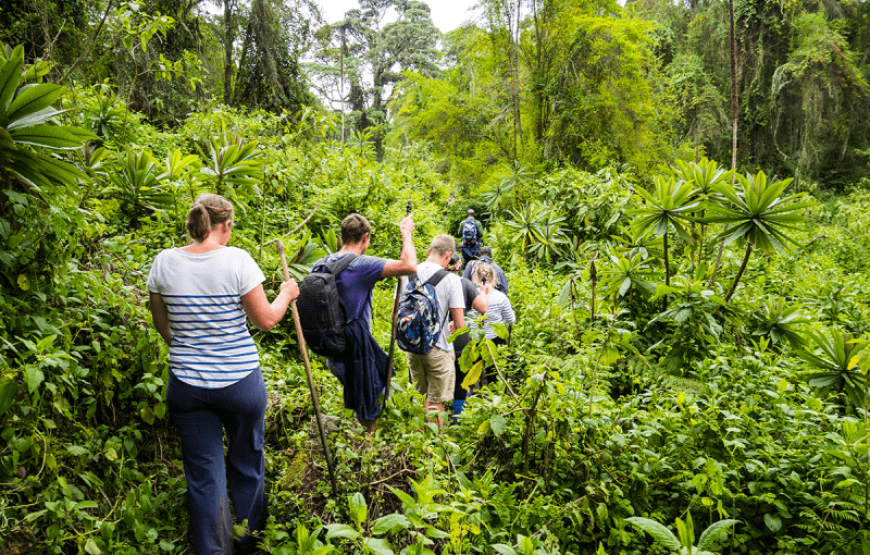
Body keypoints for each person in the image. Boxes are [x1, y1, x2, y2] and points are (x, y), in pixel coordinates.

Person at [147, 194, 299, 555]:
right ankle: (250, 543)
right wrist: (287, 293)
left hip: (187, 387)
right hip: (240, 384)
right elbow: (265, 320)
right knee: (247, 462)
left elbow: (160, 323)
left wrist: (187, 346)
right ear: (227, 225)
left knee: (203, 475)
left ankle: (213, 550)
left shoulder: (164, 261)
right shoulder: (237, 260)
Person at [316, 213, 416, 434]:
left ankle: (355, 438)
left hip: (331, 349)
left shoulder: (320, 264)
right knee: (371, 401)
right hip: (355, 352)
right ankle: (365, 451)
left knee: (363, 394)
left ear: (341, 238)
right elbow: (409, 266)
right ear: (365, 238)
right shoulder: (361, 265)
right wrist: (406, 235)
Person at [406, 235, 466, 429]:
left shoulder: (407, 273)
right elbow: (459, 324)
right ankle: (433, 448)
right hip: (439, 348)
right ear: (448, 256)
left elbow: (394, 315)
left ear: (428, 252)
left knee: (420, 398)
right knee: (436, 403)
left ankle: (416, 444)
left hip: (412, 346)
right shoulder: (452, 280)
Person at [447, 253, 489, 421]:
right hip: (459, 335)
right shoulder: (463, 283)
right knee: (460, 377)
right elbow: (482, 307)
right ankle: (458, 417)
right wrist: (484, 292)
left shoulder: (430, 280)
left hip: (435, 336)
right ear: (458, 264)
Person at [468, 261, 516, 387]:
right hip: (495, 340)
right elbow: (511, 320)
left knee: (473, 370)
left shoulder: (470, 296)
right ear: (494, 277)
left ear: (475, 278)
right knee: (492, 372)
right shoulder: (501, 298)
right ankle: (492, 397)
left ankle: (473, 396)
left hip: (475, 338)